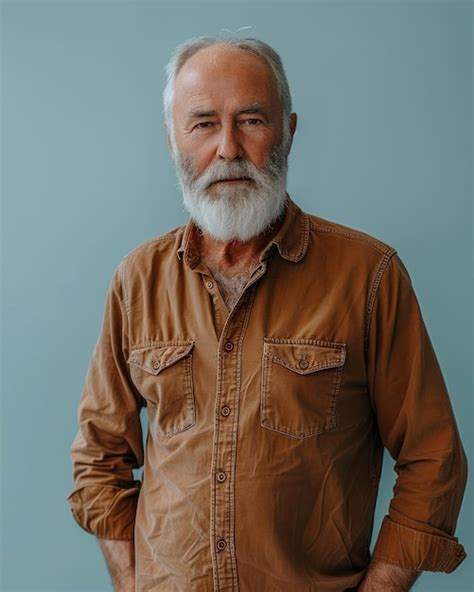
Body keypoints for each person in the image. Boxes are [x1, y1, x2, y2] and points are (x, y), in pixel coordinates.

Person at [67, 36, 467, 592]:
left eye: (251, 120)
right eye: (203, 124)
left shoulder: (369, 277)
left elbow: (434, 459)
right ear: (172, 140)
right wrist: (134, 582)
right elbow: (98, 456)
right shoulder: (138, 280)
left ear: (289, 130)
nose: (228, 148)